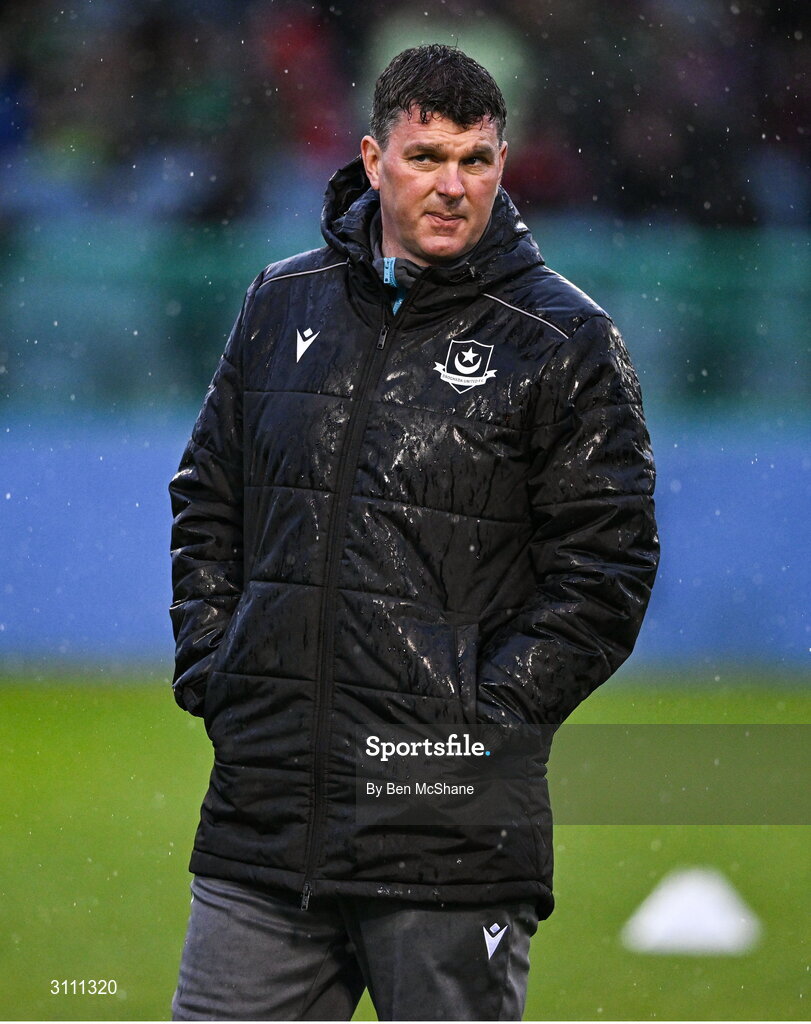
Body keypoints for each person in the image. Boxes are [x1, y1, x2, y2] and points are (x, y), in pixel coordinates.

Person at [168, 44, 659, 1021]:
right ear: (371, 157)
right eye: (427, 156)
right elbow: (208, 495)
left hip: (450, 834)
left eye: (475, 160)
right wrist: (216, 664)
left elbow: (605, 570)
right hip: (265, 813)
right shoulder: (281, 300)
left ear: (503, 167)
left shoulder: (563, 341)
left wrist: (480, 725)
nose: (451, 185)